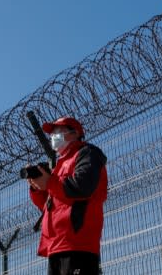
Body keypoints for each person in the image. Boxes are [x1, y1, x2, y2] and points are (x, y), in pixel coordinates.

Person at [27, 117, 108, 275]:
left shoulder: (88, 154)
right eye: (52, 134)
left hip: (78, 243)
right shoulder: (60, 164)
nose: (53, 137)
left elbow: (82, 187)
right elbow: (50, 205)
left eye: (58, 132)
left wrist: (49, 183)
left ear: (74, 133)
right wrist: (37, 187)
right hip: (56, 245)